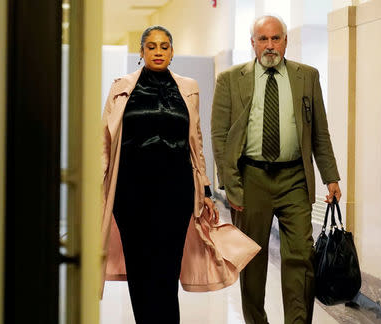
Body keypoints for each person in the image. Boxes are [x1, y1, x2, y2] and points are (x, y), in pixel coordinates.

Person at [101, 26, 260, 324]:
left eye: (164, 46)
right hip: (130, 195)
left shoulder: (188, 88)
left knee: (166, 271)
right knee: (140, 271)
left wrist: (207, 192)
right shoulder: (121, 87)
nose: (158, 51)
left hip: (175, 194)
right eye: (151, 46)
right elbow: (105, 144)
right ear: (142, 51)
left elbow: (196, 144)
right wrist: (98, 190)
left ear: (172, 52)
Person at [211, 15, 342, 324]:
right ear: (253, 43)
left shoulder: (306, 76)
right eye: (263, 39)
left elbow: (319, 131)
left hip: (295, 177)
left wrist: (331, 176)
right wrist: (231, 184)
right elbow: (219, 135)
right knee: (252, 260)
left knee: (300, 256)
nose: (270, 46)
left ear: (286, 40)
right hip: (251, 177)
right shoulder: (230, 79)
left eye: (276, 38)